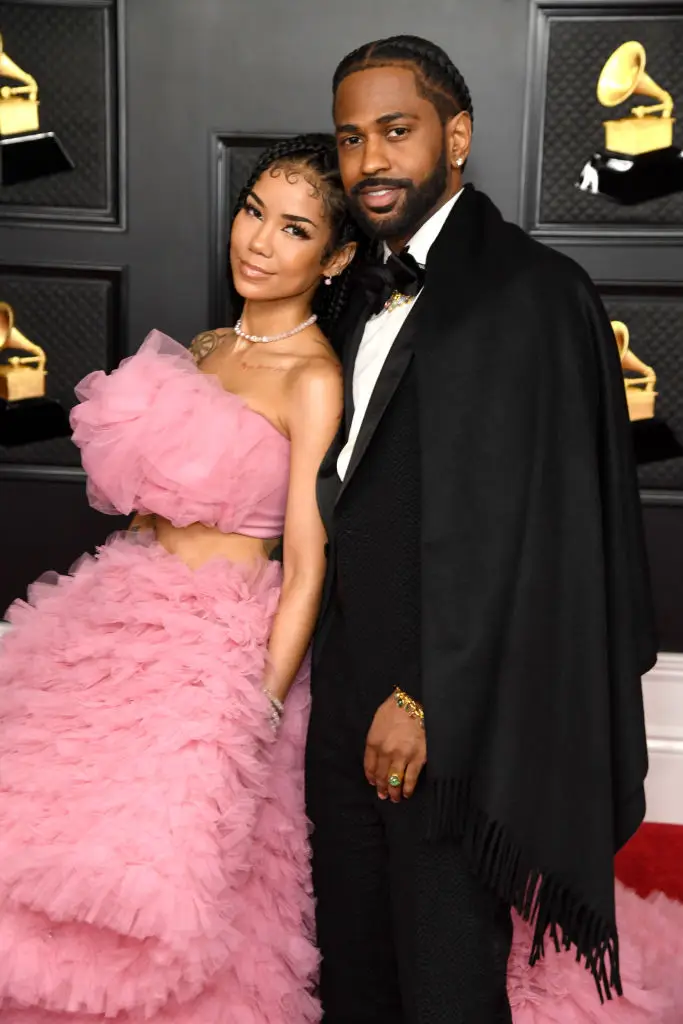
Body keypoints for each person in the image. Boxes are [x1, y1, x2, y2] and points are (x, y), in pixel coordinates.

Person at [308, 34, 683, 1024]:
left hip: (447, 704)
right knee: (349, 960)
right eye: (350, 140)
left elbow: (535, 534)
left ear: (456, 135)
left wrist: (427, 698)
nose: (369, 163)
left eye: (395, 131)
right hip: (341, 684)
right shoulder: (352, 290)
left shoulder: (531, 292)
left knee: (443, 979)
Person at [0, 134, 357, 1023]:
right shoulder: (200, 347)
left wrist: (259, 703)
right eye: (251, 213)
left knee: (171, 875)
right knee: (55, 842)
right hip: (119, 618)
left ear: (337, 255)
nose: (258, 242)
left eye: (293, 228)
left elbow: (308, 563)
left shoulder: (314, 379)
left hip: (219, 654)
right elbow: (147, 514)